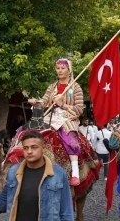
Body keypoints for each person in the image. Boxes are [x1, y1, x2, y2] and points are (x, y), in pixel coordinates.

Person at [0, 130, 74, 221]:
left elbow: (67, 213)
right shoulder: (14, 172)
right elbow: (1, 203)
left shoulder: (58, 174)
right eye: (26, 148)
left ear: (43, 148)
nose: (29, 151)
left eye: (34, 147)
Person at [28, 58, 83, 186]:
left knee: (69, 135)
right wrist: (36, 102)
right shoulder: (52, 86)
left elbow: (79, 109)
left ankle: (75, 172)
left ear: (69, 70)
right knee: (31, 129)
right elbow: (45, 101)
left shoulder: (75, 87)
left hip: (68, 117)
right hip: (51, 117)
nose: (60, 71)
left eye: (63, 68)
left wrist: (62, 104)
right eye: (58, 68)